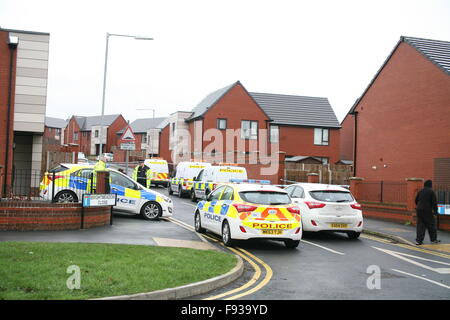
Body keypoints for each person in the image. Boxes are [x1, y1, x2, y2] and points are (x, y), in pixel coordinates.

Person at [415, 180, 441, 245]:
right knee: (431, 225)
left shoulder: (420, 191)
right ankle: (433, 239)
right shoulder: (431, 191)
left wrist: (419, 206)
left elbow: (416, 200)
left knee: (420, 226)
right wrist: (435, 212)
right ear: (430, 185)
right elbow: (434, 203)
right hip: (427, 210)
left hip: (419, 210)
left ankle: (419, 240)